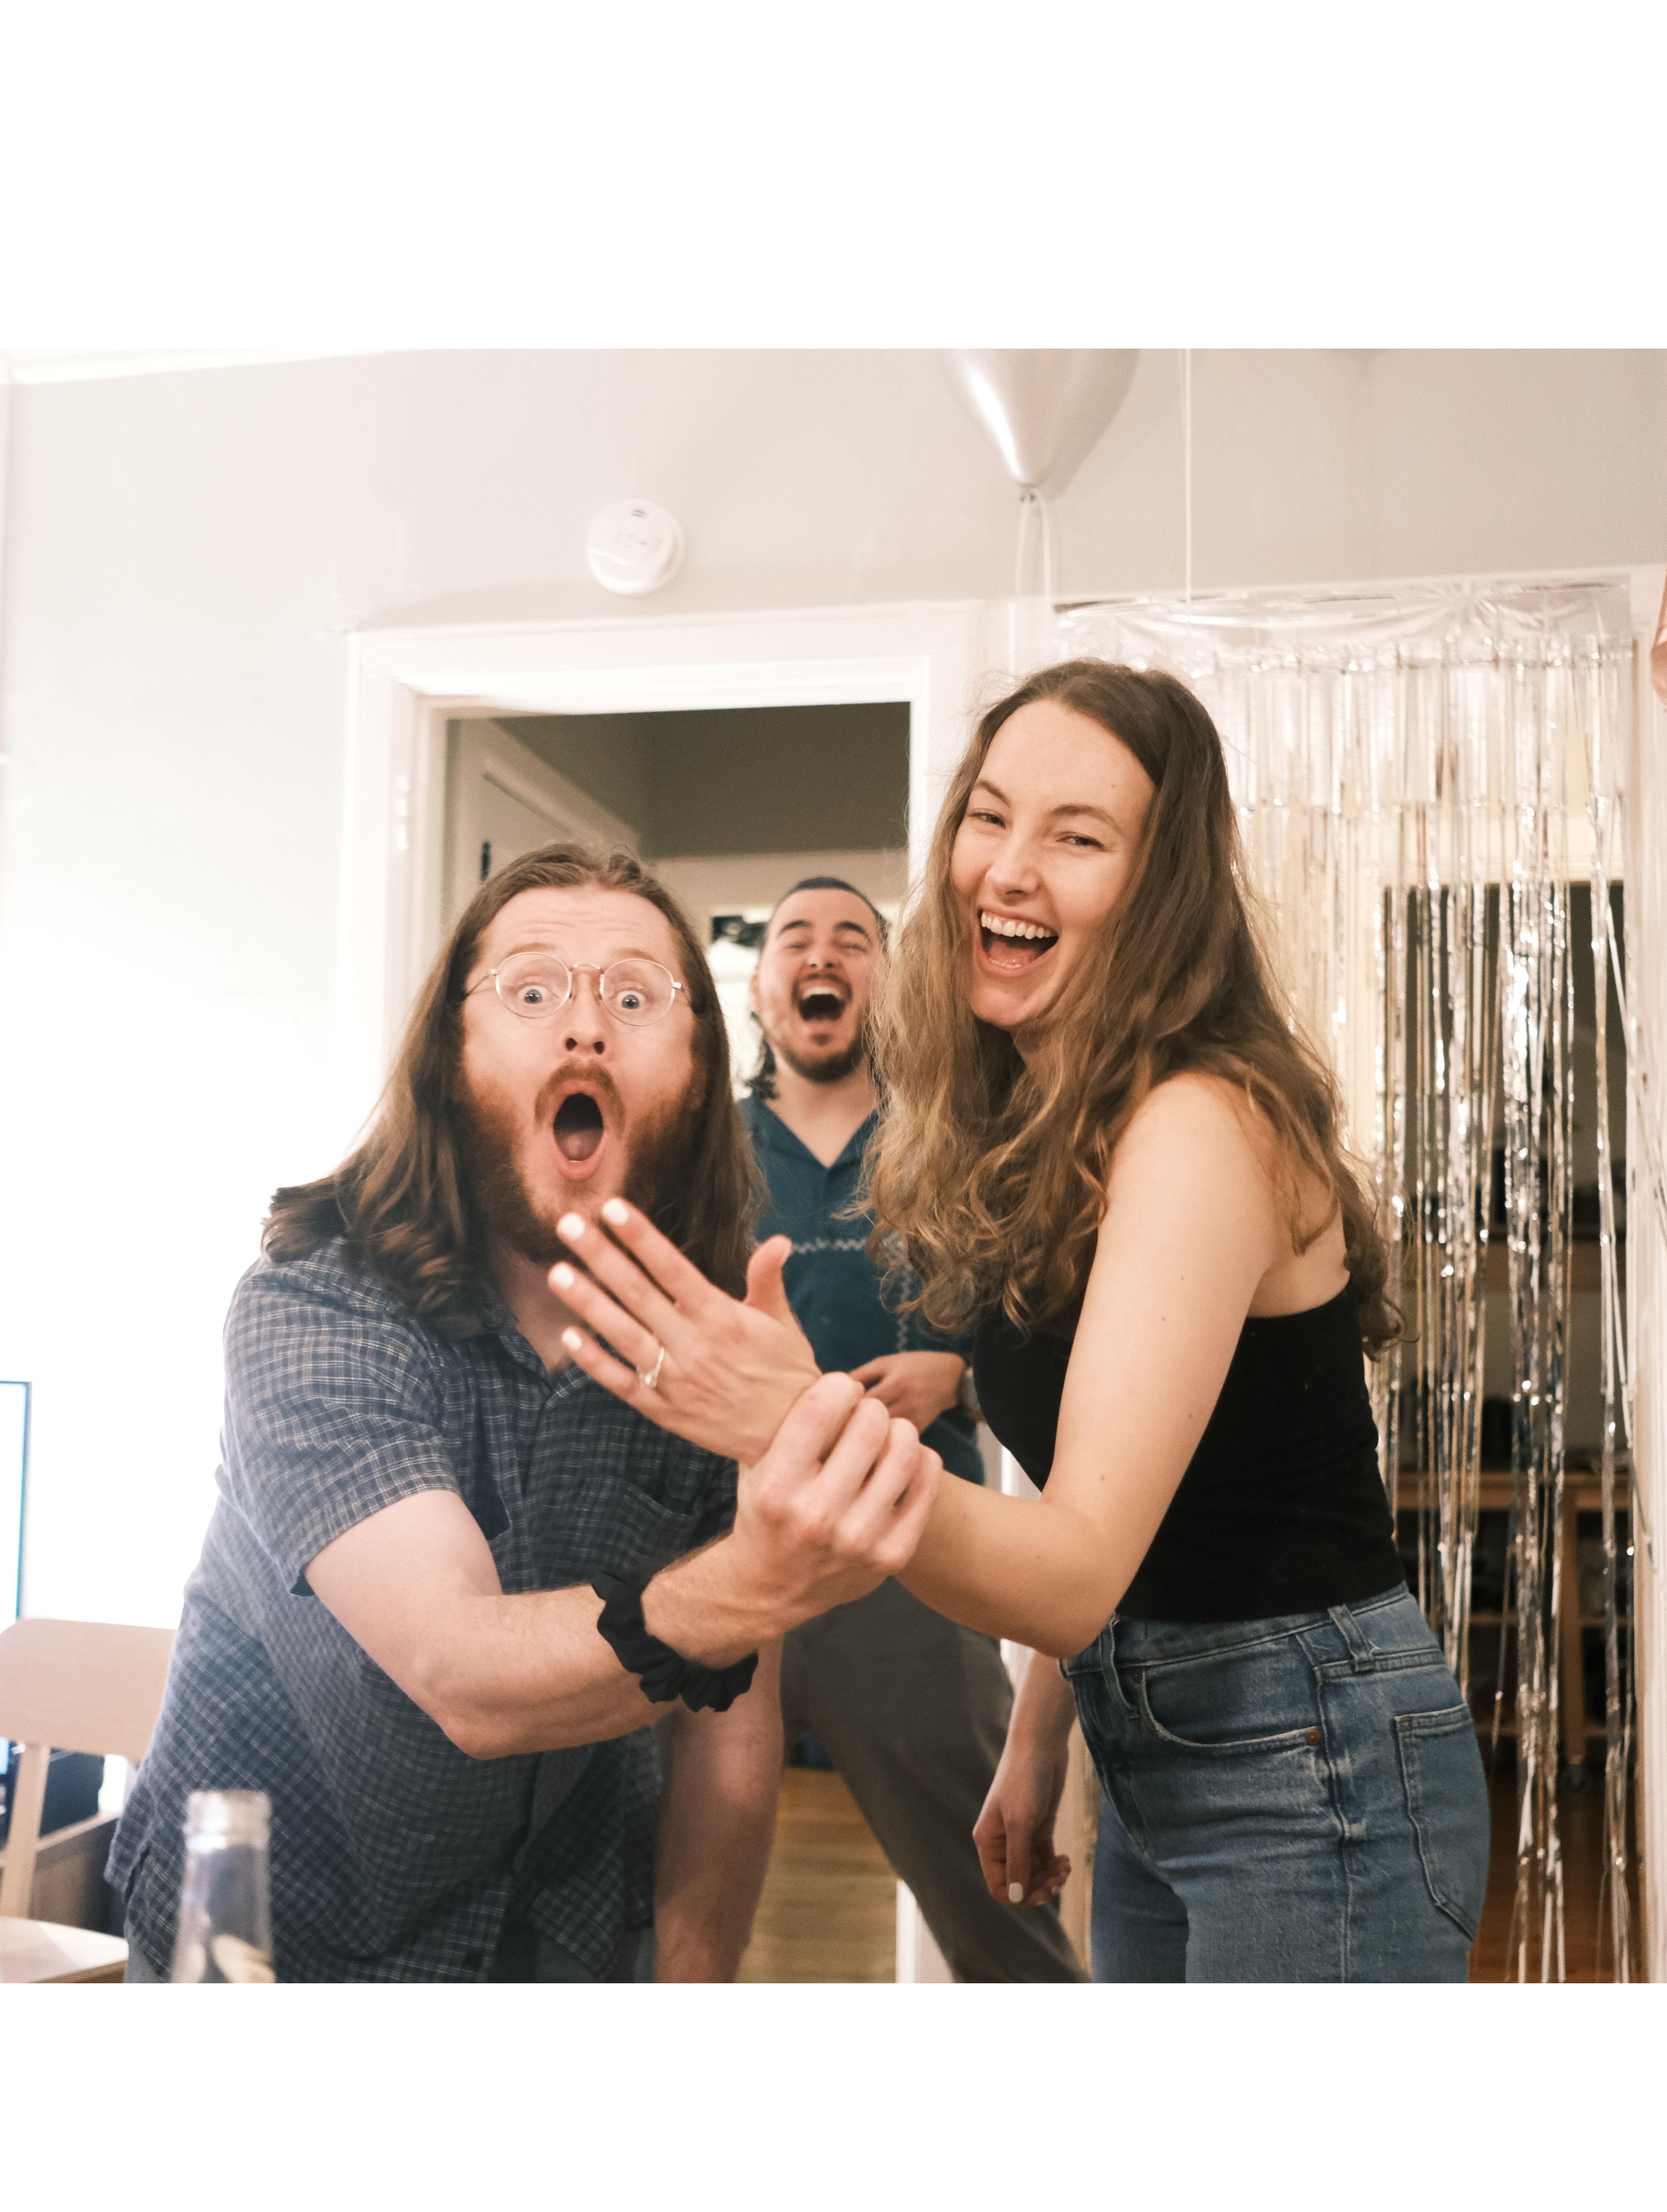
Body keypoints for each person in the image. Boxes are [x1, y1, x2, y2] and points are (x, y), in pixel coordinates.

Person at [546, 663, 1491, 1982]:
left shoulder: (1200, 1123)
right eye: (989, 817)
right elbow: (1108, 1487)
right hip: (1162, 1736)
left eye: (1078, 837)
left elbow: (1080, 1562)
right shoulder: (1048, 1125)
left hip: (1308, 1755)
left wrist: (792, 1416)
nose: (1009, 869)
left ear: (1163, 890)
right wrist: (1043, 1733)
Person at [108, 843, 940, 1982]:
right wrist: (760, 1578)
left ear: (702, 1072)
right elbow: (459, 1671)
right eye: (534, 991)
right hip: (279, 1942)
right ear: (451, 1060)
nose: (586, 1029)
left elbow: (727, 1733)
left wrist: (692, 1996)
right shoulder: (313, 1307)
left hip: (564, 1944)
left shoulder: (716, 1343)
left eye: (636, 998)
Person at [739, 874, 1081, 1983]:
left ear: (886, 987)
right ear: (760, 989)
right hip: (725, 1557)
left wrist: (963, 1376)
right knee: (657, 1912)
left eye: (854, 938)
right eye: (796, 938)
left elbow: (1058, 1339)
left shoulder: (957, 1142)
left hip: (915, 1560)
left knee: (1000, 1921)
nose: (823, 955)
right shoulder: (700, 1148)